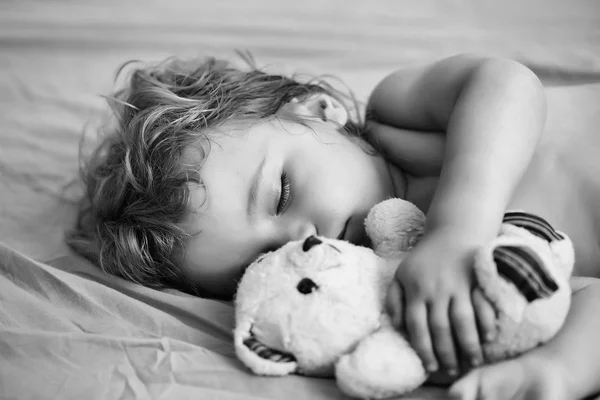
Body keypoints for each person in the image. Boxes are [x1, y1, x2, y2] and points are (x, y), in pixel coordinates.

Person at [68, 52, 600, 400]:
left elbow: (507, 83)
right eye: (261, 261)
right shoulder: (394, 285)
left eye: (281, 194)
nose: (306, 241)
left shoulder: (399, 115)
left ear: (318, 111)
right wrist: (554, 371)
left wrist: (458, 229)